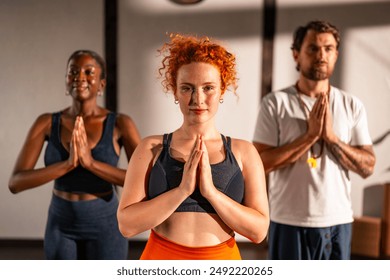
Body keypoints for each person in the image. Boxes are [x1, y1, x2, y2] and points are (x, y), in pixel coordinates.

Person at [117, 34, 269, 260]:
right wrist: (181, 191)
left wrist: (211, 193)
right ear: (175, 91)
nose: (197, 99)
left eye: (208, 88)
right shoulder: (151, 148)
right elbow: (127, 225)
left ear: (222, 90)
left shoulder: (244, 152)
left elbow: (259, 231)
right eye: (187, 88)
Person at [253, 20, 376, 260]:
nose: (321, 55)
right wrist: (309, 137)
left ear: (336, 55)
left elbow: (368, 166)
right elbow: (259, 164)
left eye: (328, 48)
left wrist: (331, 138)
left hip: (337, 222)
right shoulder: (275, 103)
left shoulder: (351, 105)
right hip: (287, 221)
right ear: (296, 55)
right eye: (313, 48)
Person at [8, 50, 141, 259]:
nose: (80, 77)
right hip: (61, 224)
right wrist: (67, 165)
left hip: (105, 224)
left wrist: (90, 164)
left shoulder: (120, 124)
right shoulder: (46, 123)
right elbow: (15, 182)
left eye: (89, 72)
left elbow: (144, 181)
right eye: (73, 72)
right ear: (66, 81)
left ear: (102, 85)